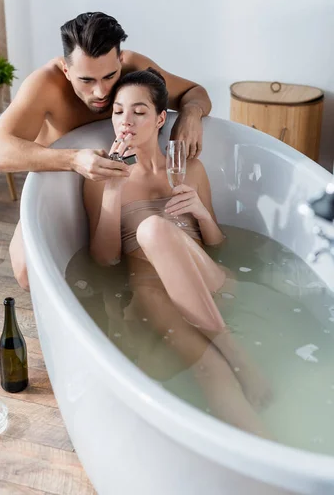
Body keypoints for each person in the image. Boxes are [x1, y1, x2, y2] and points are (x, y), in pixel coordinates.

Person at [83, 67, 272, 437]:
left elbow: (218, 245)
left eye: (138, 112)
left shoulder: (190, 170)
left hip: (211, 286)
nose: (126, 121)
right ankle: (274, 464)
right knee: (209, 370)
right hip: (156, 296)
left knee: (155, 228)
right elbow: (105, 260)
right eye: (118, 111)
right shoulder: (102, 178)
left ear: (159, 119)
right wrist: (112, 188)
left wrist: (200, 211)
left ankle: (235, 351)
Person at [0, 12, 212, 290]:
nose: (101, 91)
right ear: (66, 70)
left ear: (120, 60)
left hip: (124, 182)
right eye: (86, 80)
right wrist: (74, 158)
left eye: (109, 76)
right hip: (62, 179)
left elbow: (195, 91)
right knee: (26, 272)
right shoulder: (45, 85)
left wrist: (191, 113)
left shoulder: (135, 67)